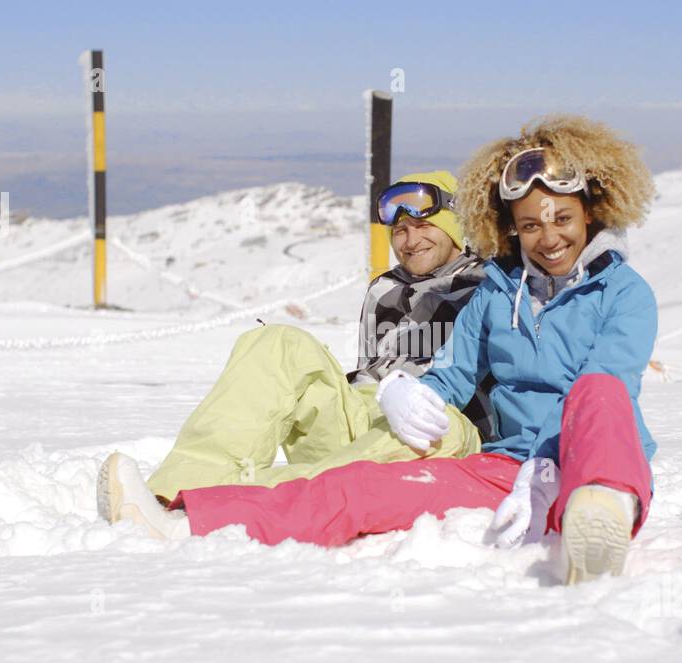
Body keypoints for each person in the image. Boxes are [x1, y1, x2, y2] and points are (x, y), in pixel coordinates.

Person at [101, 115, 658, 585]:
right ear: (512, 229)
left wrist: (550, 465)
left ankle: (599, 512)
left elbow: (612, 382)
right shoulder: (488, 292)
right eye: (530, 225)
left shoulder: (620, 293)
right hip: (501, 465)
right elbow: (451, 375)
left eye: (562, 218)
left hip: (585, 451)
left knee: (598, 390)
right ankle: (185, 509)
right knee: (355, 483)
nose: (549, 236)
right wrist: (398, 391)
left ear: (592, 212)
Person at [99, 171, 491, 530]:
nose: (410, 240)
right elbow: (371, 364)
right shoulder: (384, 289)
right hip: (367, 410)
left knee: (432, 433)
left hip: (440, 422)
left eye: (424, 226)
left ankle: (215, 502)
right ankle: (169, 493)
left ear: (454, 226)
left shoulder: (487, 287)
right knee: (278, 343)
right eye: (400, 230)